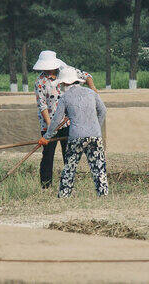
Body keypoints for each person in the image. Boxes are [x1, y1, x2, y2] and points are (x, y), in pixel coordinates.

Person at [38, 68, 108, 198]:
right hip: (95, 136)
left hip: (76, 137)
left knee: (69, 168)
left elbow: (56, 121)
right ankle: (103, 194)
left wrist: (46, 137)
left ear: (64, 83)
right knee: (99, 167)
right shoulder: (91, 93)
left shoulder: (65, 98)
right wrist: (96, 127)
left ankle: (64, 195)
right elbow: (103, 111)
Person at [33, 50, 98, 189]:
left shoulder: (67, 72)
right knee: (47, 156)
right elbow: (42, 105)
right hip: (49, 123)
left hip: (68, 122)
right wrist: (51, 129)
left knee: (69, 154)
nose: (48, 70)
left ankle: (68, 183)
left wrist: (93, 90)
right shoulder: (40, 82)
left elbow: (87, 76)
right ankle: (46, 185)